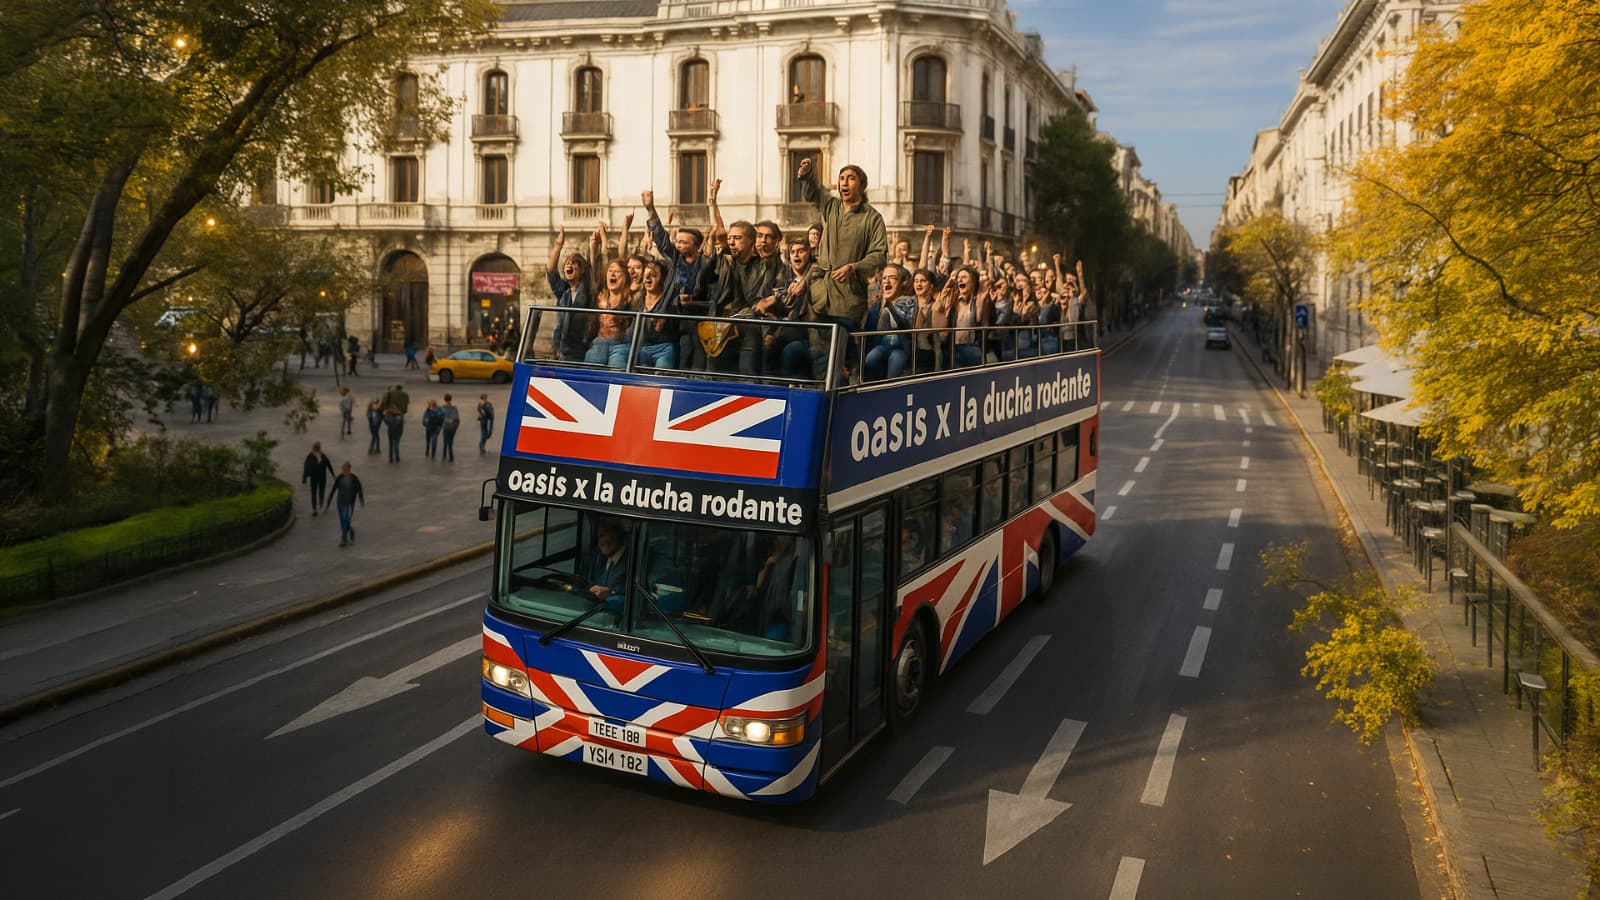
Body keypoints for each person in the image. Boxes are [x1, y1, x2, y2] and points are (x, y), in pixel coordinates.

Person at [795, 156, 888, 375]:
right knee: (819, 356)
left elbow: (879, 255)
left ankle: (841, 389)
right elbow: (814, 193)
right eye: (842, 178)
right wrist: (807, 176)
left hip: (848, 300)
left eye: (851, 178)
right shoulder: (831, 206)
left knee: (841, 359)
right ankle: (823, 391)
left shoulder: (872, 218)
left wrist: (853, 267)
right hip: (821, 296)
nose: (844, 182)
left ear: (862, 185)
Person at [543, 227, 594, 361]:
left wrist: (593, 246)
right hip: (562, 349)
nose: (569, 265)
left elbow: (593, 271)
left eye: (573, 263)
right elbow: (551, 271)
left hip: (581, 349)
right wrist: (558, 245)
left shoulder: (587, 290)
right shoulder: (563, 291)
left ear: (582, 270)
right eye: (567, 263)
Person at [862, 264, 916, 381]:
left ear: (901, 283)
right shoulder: (877, 305)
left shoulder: (908, 302)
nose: (887, 281)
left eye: (892, 277)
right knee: (871, 358)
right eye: (884, 278)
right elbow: (869, 332)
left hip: (901, 348)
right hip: (881, 346)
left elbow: (905, 326)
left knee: (897, 359)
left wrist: (890, 305)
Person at [582, 521, 630, 616]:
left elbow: (637, 601)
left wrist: (611, 594)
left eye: (606, 535)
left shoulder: (632, 561)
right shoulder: (598, 558)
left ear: (619, 537)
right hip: (594, 616)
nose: (602, 541)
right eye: (600, 536)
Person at [324, 462, 365, 547]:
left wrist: (361, 499)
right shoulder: (339, 478)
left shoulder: (354, 478)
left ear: (349, 469)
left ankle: (344, 538)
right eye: (343, 469)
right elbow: (333, 490)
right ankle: (350, 529)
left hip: (348, 502)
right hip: (340, 501)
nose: (344, 471)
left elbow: (359, 488)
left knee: (345, 518)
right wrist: (328, 502)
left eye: (346, 469)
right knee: (342, 520)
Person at [301, 442, 335, 516]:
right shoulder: (318, 456)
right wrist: (333, 475)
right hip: (318, 477)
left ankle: (316, 506)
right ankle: (317, 506)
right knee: (317, 491)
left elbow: (306, 466)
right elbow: (329, 465)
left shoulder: (317, 456)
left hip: (317, 477)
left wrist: (304, 477)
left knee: (316, 491)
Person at [440, 393, 460, 462]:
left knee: (445, 441)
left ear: (444, 399)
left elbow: (440, 418)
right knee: (450, 442)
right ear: (451, 399)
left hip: (446, 427)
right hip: (452, 428)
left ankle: (445, 455)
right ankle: (450, 456)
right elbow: (457, 419)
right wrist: (456, 427)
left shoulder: (442, 408)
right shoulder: (454, 408)